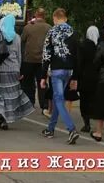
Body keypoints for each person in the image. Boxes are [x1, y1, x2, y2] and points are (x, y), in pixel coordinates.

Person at [39, 8, 80, 144]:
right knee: (58, 98)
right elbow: (77, 56)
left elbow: (46, 55)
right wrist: (75, 77)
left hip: (56, 70)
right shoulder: (73, 32)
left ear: (54, 18)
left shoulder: (51, 32)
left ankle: (71, 129)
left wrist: (43, 76)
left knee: (58, 99)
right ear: (66, 18)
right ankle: (50, 129)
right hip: (69, 70)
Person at [0, 14, 34, 130]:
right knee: (10, 96)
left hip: (0, 71)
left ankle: (2, 117)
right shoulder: (17, 37)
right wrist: (18, 70)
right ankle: (5, 119)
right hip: (13, 70)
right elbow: (19, 55)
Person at [20, 8, 51, 113]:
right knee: (42, 82)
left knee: (28, 83)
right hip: (43, 60)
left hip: (28, 59)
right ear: (44, 16)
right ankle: (44, 104)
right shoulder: (49, 28)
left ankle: (30, 102)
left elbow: (22, 40)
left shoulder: (28, 27)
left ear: (35, 15)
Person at [77, 25, 101, 133]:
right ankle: (100, 125)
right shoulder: (100, 46)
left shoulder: (83, 46)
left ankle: (87, 124)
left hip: (85, 78)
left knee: (84, 101)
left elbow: (79, 63)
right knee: (96, 101)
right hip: (98, 78)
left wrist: (76, 77)